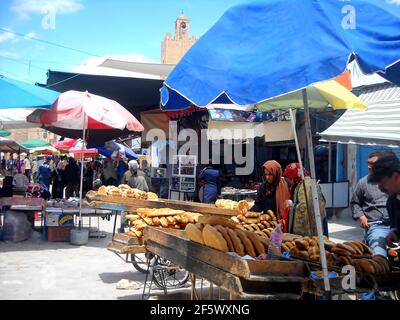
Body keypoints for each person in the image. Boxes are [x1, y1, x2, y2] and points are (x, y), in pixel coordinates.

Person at [351, 152, 391, 258]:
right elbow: (355, 203)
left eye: (372, 163)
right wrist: (361, 216)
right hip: (377, 226)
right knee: (379, 251)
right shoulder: (363, 183)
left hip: (395, 225)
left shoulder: (392, 180)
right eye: (368, 163)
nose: (369, 166)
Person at [283, 162, 327, 236]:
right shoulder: (303, 183)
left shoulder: (305, 186)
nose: (289, 182)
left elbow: (304, 209)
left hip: (309, 229)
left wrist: (291, 205)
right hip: (317, 223)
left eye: (289, 178)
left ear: (293, 175)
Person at [368, 151, 400, 249]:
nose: (380, 187)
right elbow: (396, 225)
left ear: (396, 176)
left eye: (382, 181)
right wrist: (394, 231)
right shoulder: (392, 201)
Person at [252, 160, 290, 229]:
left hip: (282, 225)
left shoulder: (286, 185)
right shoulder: (263, 187)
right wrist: (249, 212)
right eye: (266, 174)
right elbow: (258, 205)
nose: (267, 177)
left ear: (276, 173)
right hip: (267, 225)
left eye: (270, 174)